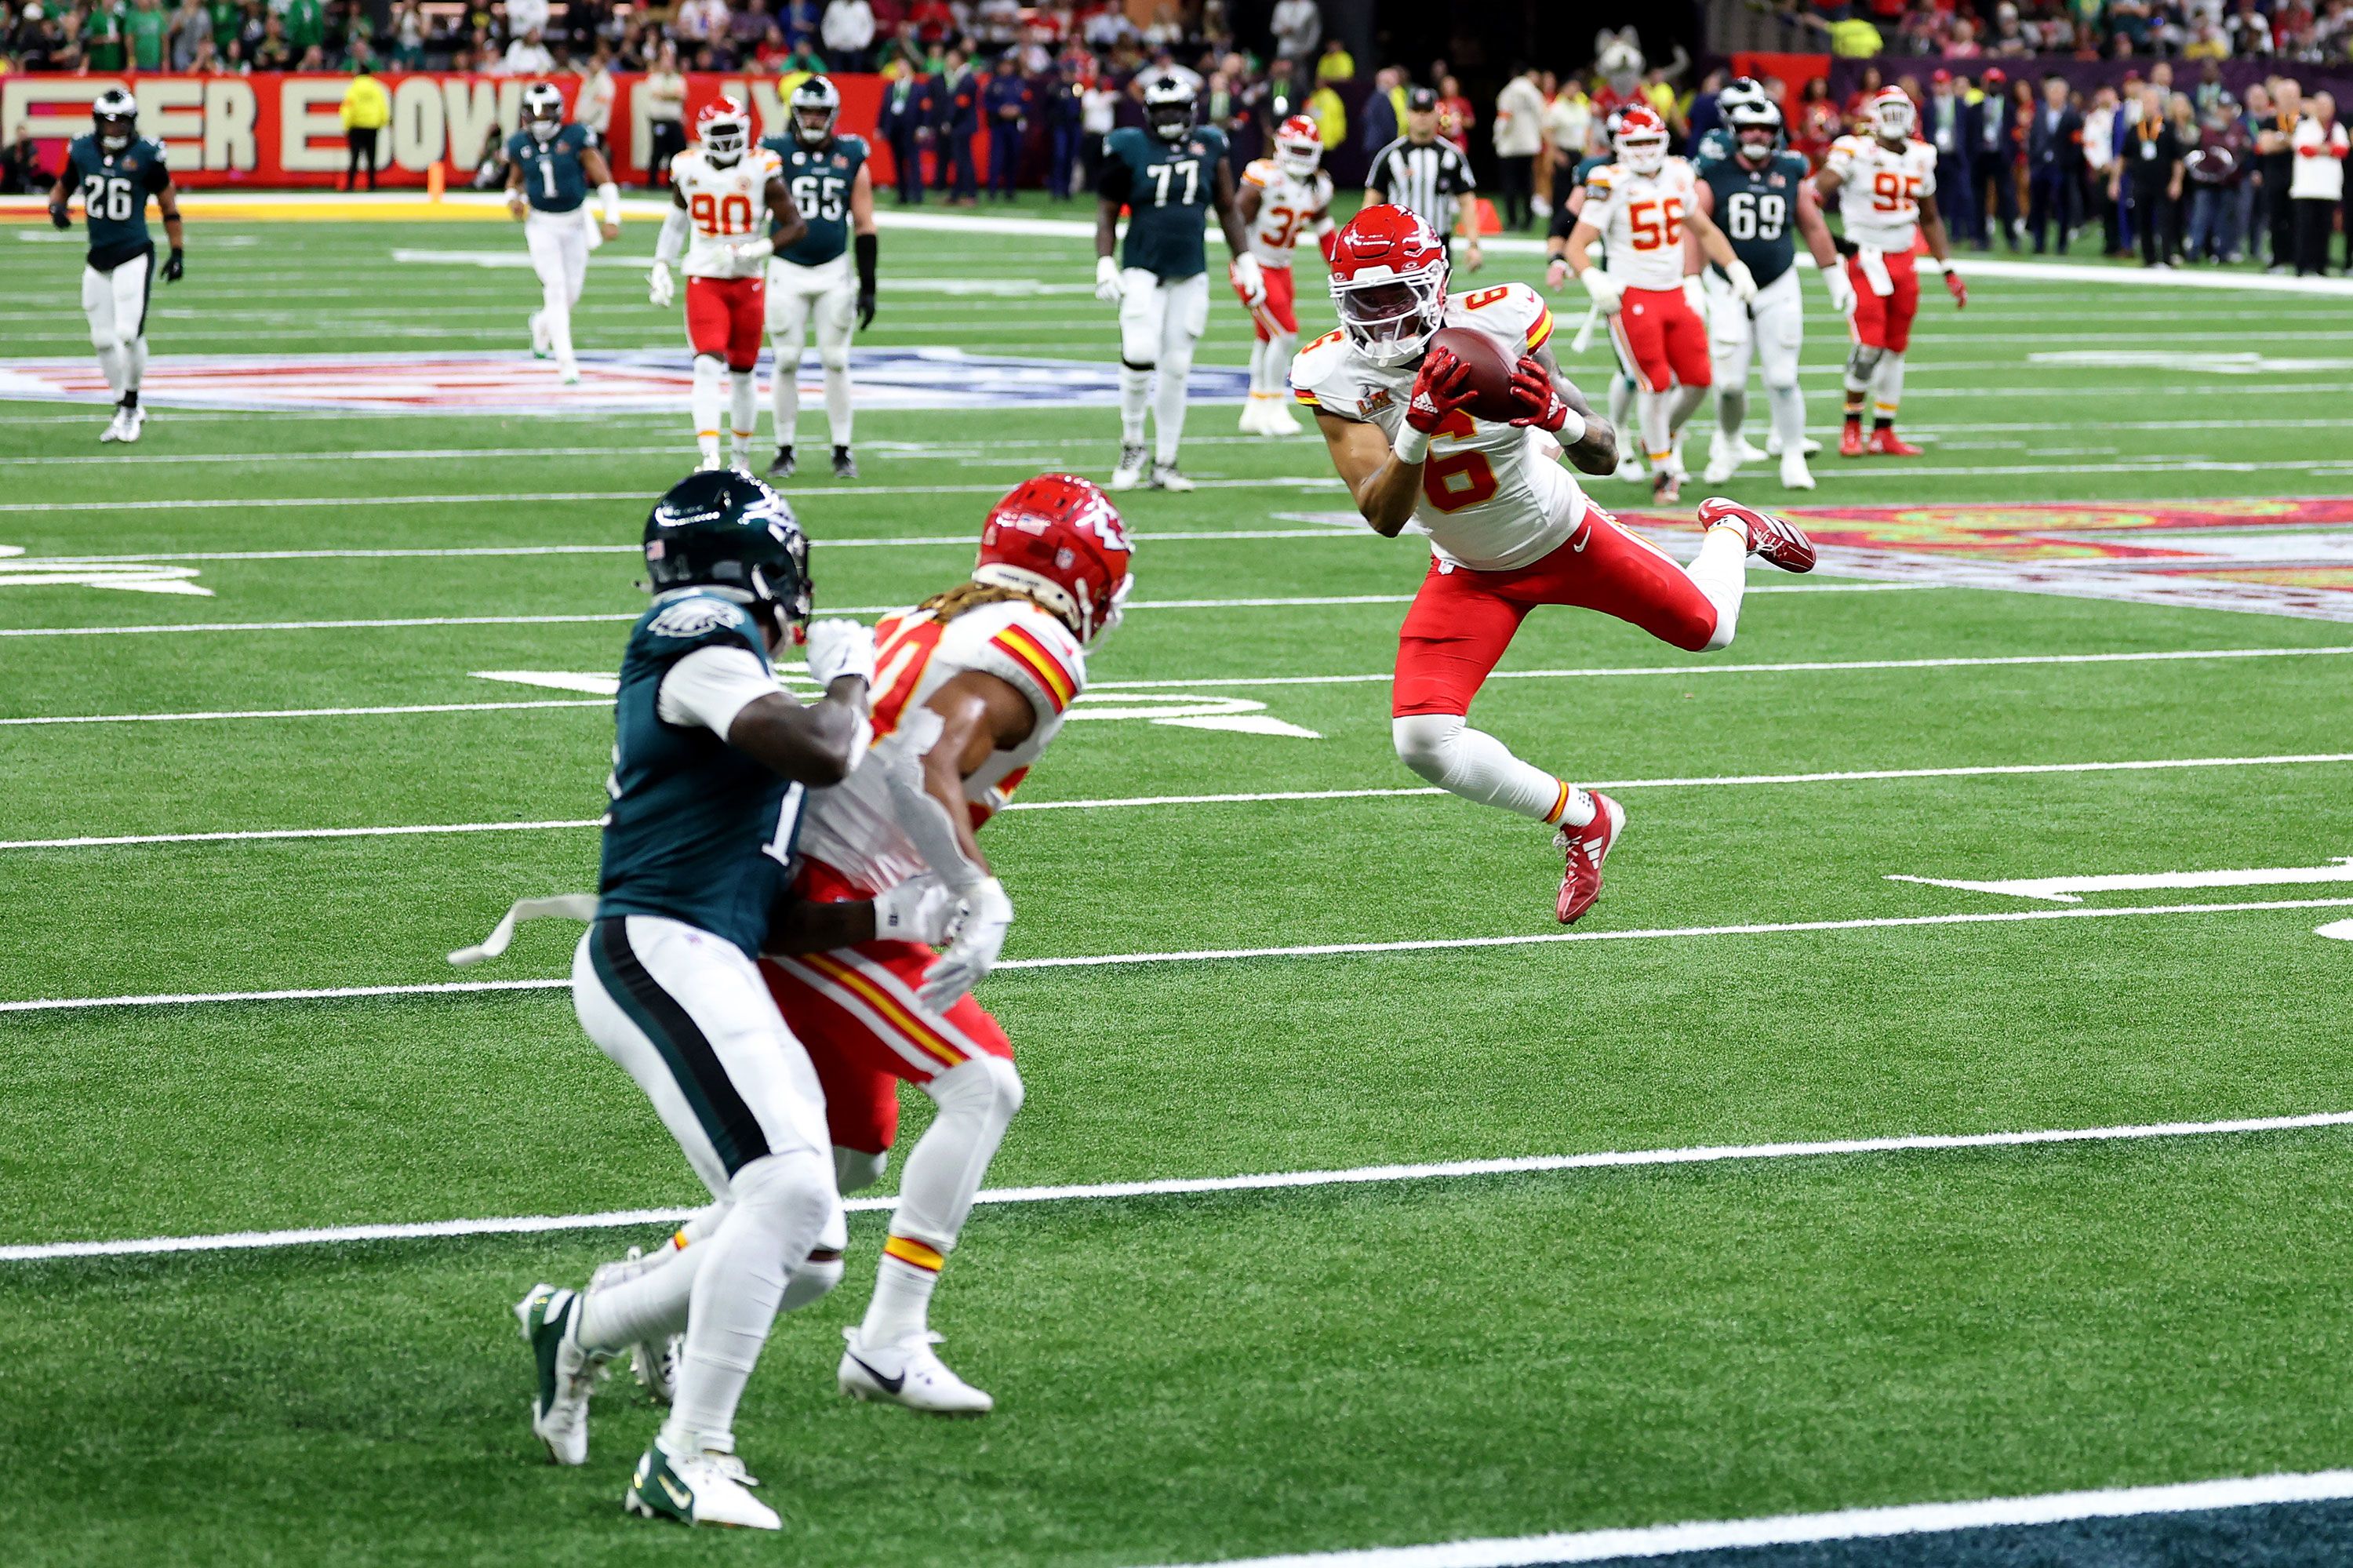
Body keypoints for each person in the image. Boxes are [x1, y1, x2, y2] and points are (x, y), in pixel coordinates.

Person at [514, 469, 875, 1531]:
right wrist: (846, 678)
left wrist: (905, 914)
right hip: (657, 945)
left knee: (803, 1249)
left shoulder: (730, 668)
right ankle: (689, 1455)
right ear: (758, 565)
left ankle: (579, 1321)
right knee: (795, 1192)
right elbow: (824, 746)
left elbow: (768, 906)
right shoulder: (700, 628)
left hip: (706, 945)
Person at [1293, 205, 1817, 926]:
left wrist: (1557, 419)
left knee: (1711, 629)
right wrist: (1416, 423)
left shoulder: (1505, 320)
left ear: (1434, 284)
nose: (1380, 320)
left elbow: (1603, 453)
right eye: (1364, 303)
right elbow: (1383, 516)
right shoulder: (1332, 371)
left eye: (1394, 297)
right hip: (1469, 568)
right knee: (1421, 740)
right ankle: (1584, 817)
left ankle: (1730, 528)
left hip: (1564, 534)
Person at [757, 475, 1134, 1414]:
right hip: (832, 907)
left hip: (819, 889)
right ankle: (888, 1341)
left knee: (840, 1171)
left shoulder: (929, 618)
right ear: (1084, 576)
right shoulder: (1037, 642)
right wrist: (979, 892)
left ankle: (650, 1310)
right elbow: (921, 761)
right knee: (983, 1081)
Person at [1562, 105, 1757, 505]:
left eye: (1652, 141)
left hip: (1673, 291)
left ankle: (1661, 435)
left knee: (1701, 379)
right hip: (1632, 293)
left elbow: (1703, 228)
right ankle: (1664, 472)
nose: (1645, 150)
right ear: (1620, 145)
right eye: (1637, 143)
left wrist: (1734, 266)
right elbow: (1576, 245)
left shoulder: (1680, 174)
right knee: (1654, 383)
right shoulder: (1608, 181)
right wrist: (1593, 278)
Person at [1093, 75, 1262, 491]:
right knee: (1139, 350)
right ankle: (1132, 442)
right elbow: (1107, 208)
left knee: (1177, 366)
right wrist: (1104, 261)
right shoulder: (1129, 145)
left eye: (1176, 110)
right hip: (1142, 265)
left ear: (1191, 110)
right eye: (1162, 110)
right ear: (1149, 113)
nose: (1170, 118)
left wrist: (1245, 258)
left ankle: (1166, 461)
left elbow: (1226, 206)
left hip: (1190, 267)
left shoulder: (1209, 144)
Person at [1693, 93, 1851, 491]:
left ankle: (1794, 453)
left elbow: (1812, 225)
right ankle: (1728, 444)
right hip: (1727, 285)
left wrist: (1834, 275)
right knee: (1729, 384)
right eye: (1749, 128)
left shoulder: (1791, 168)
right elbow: (1696, 228)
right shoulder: (1714, 171)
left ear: (1777, 133)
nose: (1758, 135)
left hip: (1779, 282)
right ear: (1735, 132)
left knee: (1783, 378)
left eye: (1765, 129)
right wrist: (1690, 281)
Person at [647, 96, 807, 471]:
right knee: (706, 365)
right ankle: (710, 457)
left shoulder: (761, 167)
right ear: (703, 135)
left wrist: (759, 248)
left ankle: (740, 458)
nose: (725, 140)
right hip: (705, 278)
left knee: (743, 372)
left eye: (732, 131)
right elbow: (676, 221)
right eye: (718, 133)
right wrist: (660, 265)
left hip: (747, 282)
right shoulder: (688, 168)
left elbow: (797, 225)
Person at [1817, 87, 1967, 460]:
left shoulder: (1920, 156)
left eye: (1903, 109)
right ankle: (1851, 425)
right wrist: (1833, 242)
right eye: (1889, 109)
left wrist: (1947, 268)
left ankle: (1884, 431)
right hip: (1865, 257)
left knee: (1896, 348)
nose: (1896, 116)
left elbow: (1929, 217)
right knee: (1869, 346)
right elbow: (1812, 196)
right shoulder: (1854, 151)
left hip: (1903, 258)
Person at [49, 89, 185, 446]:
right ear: (97, 122)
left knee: (127, 333)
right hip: (98, 257)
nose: (113, 129)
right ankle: (121, 402)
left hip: (133, 253)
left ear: (132, 122)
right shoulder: (81, 150)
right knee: (101, 340)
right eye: (108, 121)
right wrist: (56, 210)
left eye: (120, 121)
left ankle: (131, 403)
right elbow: (62, 187)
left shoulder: (146, 155)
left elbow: (168, 202)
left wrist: (178, 250)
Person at [758, 76, 879, 479]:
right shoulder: (773, 152)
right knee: (787, 359)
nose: (813, 119)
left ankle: (842, 449)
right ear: (794, 113)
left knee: (835, 360)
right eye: (807, 111)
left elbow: (864, 223)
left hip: (833, 269)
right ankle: (784, 448)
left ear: (833, 115)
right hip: (786, 267)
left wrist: (870, 285)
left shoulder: (851, 153)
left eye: (820, 112)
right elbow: (753, 209)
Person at [505, 82, 621, 387]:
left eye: (546, 110)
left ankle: (541, 325)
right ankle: (567, 362)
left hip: (576, 222)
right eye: (535, 111)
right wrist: (512, 200)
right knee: (555, 289)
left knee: (571, 294)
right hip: (542, 224)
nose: (541, 118)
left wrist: (612, 216)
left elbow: (603, 177)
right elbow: (514, 181)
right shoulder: (519, 143)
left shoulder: (576, 136)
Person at [1233, 114, 1335, 436]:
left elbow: (1325, 231)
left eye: (1307, 152)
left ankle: (1254, 408)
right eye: (1296, 150)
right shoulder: (1264, 177)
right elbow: (1234, 222)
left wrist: (1340, 268)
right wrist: (1244, 267)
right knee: (1286, 333)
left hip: (1281, 266)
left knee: (1267, 336)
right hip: (1254, 264)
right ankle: (1274, 403)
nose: (1301, 158)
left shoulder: (1319, 186)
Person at [1367, 85, 1482, 272]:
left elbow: (1467, 201)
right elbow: (1371, 204)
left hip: (1438, 242)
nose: (1422, 117)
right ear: (1408, 114)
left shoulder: (1451, 156)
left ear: (1436, 114)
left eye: (1427, 111)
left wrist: (1473, 245)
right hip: (1397, 244)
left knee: (1437, 300)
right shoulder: (1390, 155)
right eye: (1416, 111)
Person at [2118, 85, 2184, 268]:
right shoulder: (2135, 128)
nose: (2148, 105)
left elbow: (2177, 158)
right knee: (2143, 220)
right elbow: (2123, 156)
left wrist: (2176, 181)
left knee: (2165, 221)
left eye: (2151, 102)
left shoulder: (2168, 127)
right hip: (2141, 182)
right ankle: (2149, 258)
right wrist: (2115, 181)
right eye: (2145, 102)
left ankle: (2167, 257)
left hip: (2163, 181)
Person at [2290, 92, 2348, 275]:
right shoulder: (2305, 127)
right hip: (2306, 187)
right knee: (2305, 228)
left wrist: (2321, 149)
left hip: (2329, 188)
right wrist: (2326, 149)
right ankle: (2302, 265)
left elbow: (2343, 150)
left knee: (2324, 230)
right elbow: (2304, 149)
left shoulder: (2337, 128)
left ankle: (2320, 265)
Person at [2026, 75, 2083, 253]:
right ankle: (2039, 242)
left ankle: (2062, 243)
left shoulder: (2072, 115)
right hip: (2041, 165)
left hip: (2062, 167)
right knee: (2038, 205)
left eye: (2060, 92)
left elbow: (2076, 143)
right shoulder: (2040, 112)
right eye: (2053, 92)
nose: (2056, 96)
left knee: (2063, 206)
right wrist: (2034, 160)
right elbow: (2034, 138)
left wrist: (2069, 163)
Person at [1970, 66, 2020, 248]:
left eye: (1997, 83)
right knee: (1978, 199)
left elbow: (2014, 134)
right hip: (1981, 156)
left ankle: (2011, 237)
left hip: (2001, 156)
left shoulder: (2009, 109)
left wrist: (2010, 155)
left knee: (2007, 197)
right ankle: (1980, 237)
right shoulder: (1976, 108)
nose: (1994, 86)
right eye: (1991, 83)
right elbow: (1970, 133)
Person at [1492, 64, 1545, 231]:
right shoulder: (1534, 93)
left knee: (1510, 184)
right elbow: (1542, 116)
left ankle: (1513, 221)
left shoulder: (1508, 92)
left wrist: (1497, 137)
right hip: (1529, 145)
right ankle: (1529, 220)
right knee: (1527, 183)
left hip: (1510, 145)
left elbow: (1504, 118)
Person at [2257, 79, 2300, 273]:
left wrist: (2281, 139)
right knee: (2276, 219)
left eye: (2293, 96)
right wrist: (2289, 140)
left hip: (2300, 178)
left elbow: (2303, 143)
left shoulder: (2306, 119)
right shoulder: (2270, 120)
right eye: (2286, 96)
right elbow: (2265, 146)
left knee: (2298, 219)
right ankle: (2278, 258)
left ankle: (2297, 256)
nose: (2290, 100)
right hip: (2275, 177)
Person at [878, 63, 932, 204]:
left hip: (911, 130)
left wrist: (923, 127)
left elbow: (925, 109)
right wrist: (881, 127)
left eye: (904, 67)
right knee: (898, 163)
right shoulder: (890, 87)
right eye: (899, 67)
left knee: (914, 162)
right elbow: (884, 109)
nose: (901, 70)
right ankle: (902, 195)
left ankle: (917, 195)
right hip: (895, 130)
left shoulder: (918, 87)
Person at [983, 49, 1031, 201]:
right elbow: (985, 102)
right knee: (996, 157)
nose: (1006, 68)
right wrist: (999, 109)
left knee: (1013, 157)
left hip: (1014, 125)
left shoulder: (1019, 83)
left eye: (1009, 65)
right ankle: (992, 189)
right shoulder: (993, 82)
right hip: (998, 124)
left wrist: (1018, 110)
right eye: (1004, 65)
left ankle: (1010, 190)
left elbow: (1027, 102)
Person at [642, 43, 688, 190]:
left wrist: (666, 95)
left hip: (674, 121)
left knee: (675, 152)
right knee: (657, 152)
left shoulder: (679, 79)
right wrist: (672, 95)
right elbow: (657, 94)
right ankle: (652, 182)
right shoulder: (654, 78)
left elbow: (680, 95)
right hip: (659, 120)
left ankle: (672, 183)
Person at [939, 46, 980, 204]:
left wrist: (949, 121)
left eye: (951, 57)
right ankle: (957, 194)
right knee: (960, 160)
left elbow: (961, 104)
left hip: (963, 125)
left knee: (964, 160)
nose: (948, 61)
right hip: (961, 125)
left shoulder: (967, 79)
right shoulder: (959, 77)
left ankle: (971, 194)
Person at [339, 60, 388, 192]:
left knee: (354, 157)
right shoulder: (375, 87)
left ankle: (350, 185)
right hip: (372, 126)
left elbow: (348, 106)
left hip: (356, 126)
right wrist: (382, 121)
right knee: (371, 157)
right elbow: (382, 106)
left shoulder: (354, 87)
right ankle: (372, 184)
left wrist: (346, 124)